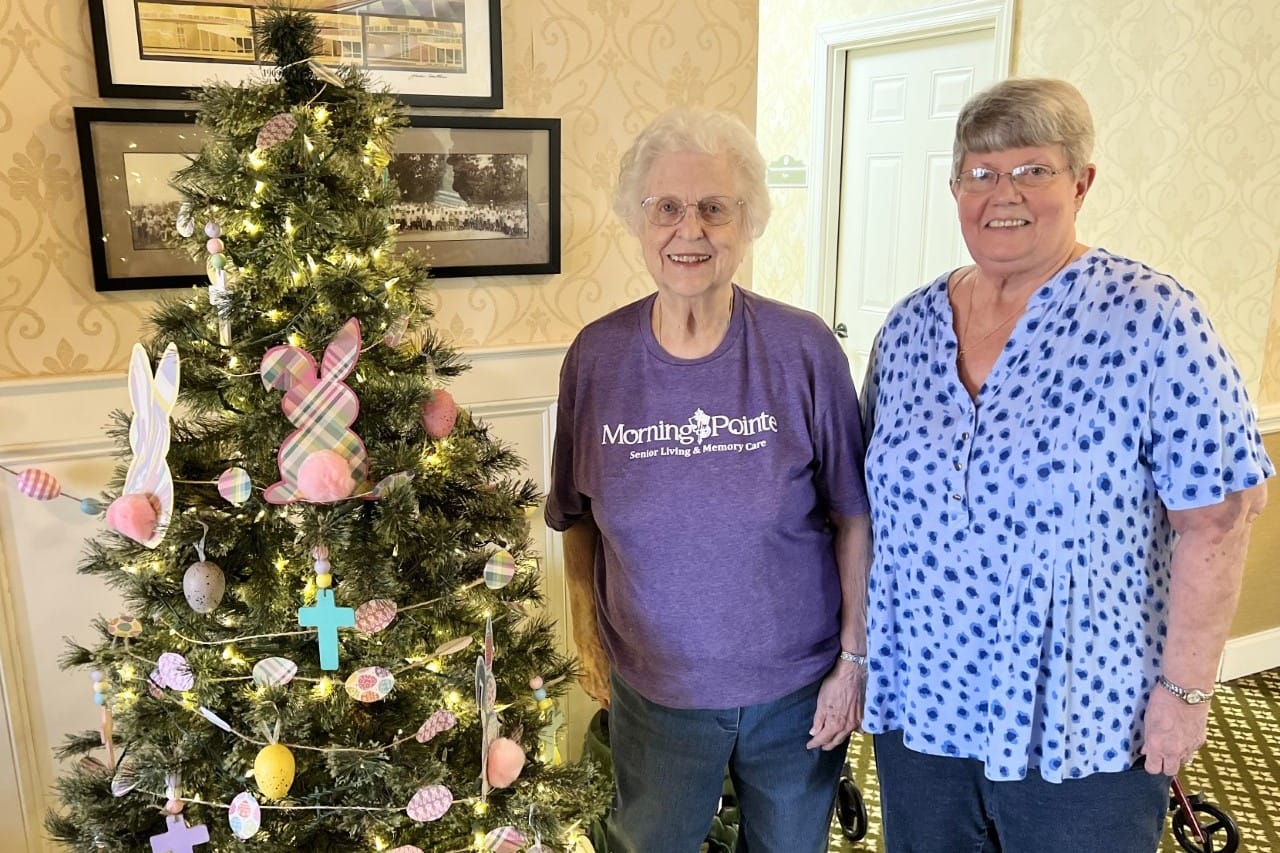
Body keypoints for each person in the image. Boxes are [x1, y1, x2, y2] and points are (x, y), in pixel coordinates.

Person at [859, 77, 1273, 853]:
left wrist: (1184, 695)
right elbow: (869, 505)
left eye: (1033, 169)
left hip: (1083, 718)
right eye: (980, 173)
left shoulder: (1153, 318)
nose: (1003, 192)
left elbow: (1217, 520)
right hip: (923, 704)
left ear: (1081, 182)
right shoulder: (910, 328)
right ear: (954, 188)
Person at [545, 107, 872, 853]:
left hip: (794, 691)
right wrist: (588, 636)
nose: (689, 230)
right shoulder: (596, 359)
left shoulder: (803, 349)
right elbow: (575, 516)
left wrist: (853, 663)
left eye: (714, 208)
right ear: (638, 219)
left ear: (747, 220)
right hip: (656, 694)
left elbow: (854, 516)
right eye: (667, 208)